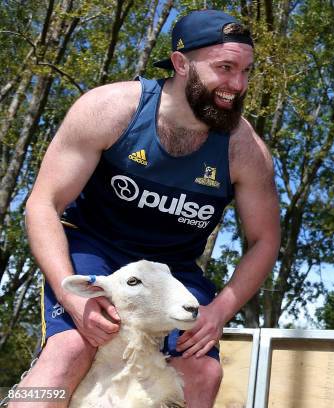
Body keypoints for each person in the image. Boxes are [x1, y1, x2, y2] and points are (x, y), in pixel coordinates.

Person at [12, 9, 280, 408]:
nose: (237, 85)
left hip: (173, 270)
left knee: (203, 373)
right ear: (180, 63)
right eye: (225, 68)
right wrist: (71, 295)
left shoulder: (246, 150)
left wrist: (219, 310)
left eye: (245, 71)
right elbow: (43, 204)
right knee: (68, 351)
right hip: (94, 250)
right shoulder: (109, 109)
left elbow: (264, 240)